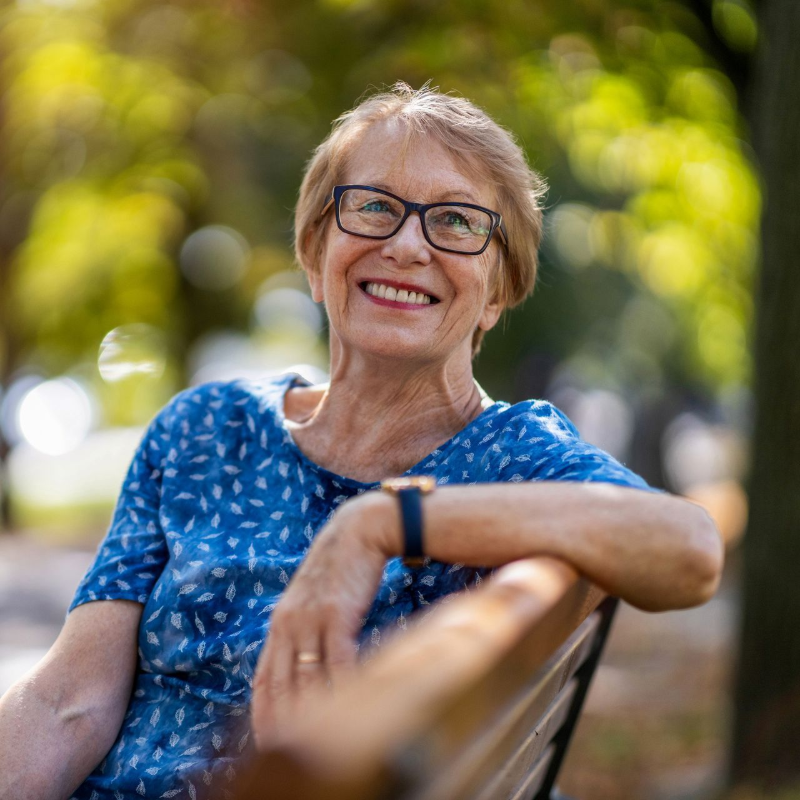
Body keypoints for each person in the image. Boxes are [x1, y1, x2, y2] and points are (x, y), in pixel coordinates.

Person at [0, 82, 724, 800]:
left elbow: (689, 549)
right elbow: (70, 700)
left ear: (499, 291)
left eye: (457, 222)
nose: (407, 245)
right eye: (374, 207)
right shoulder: (204, 429)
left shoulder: (511, 455)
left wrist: (383, 523)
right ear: (315, 255)